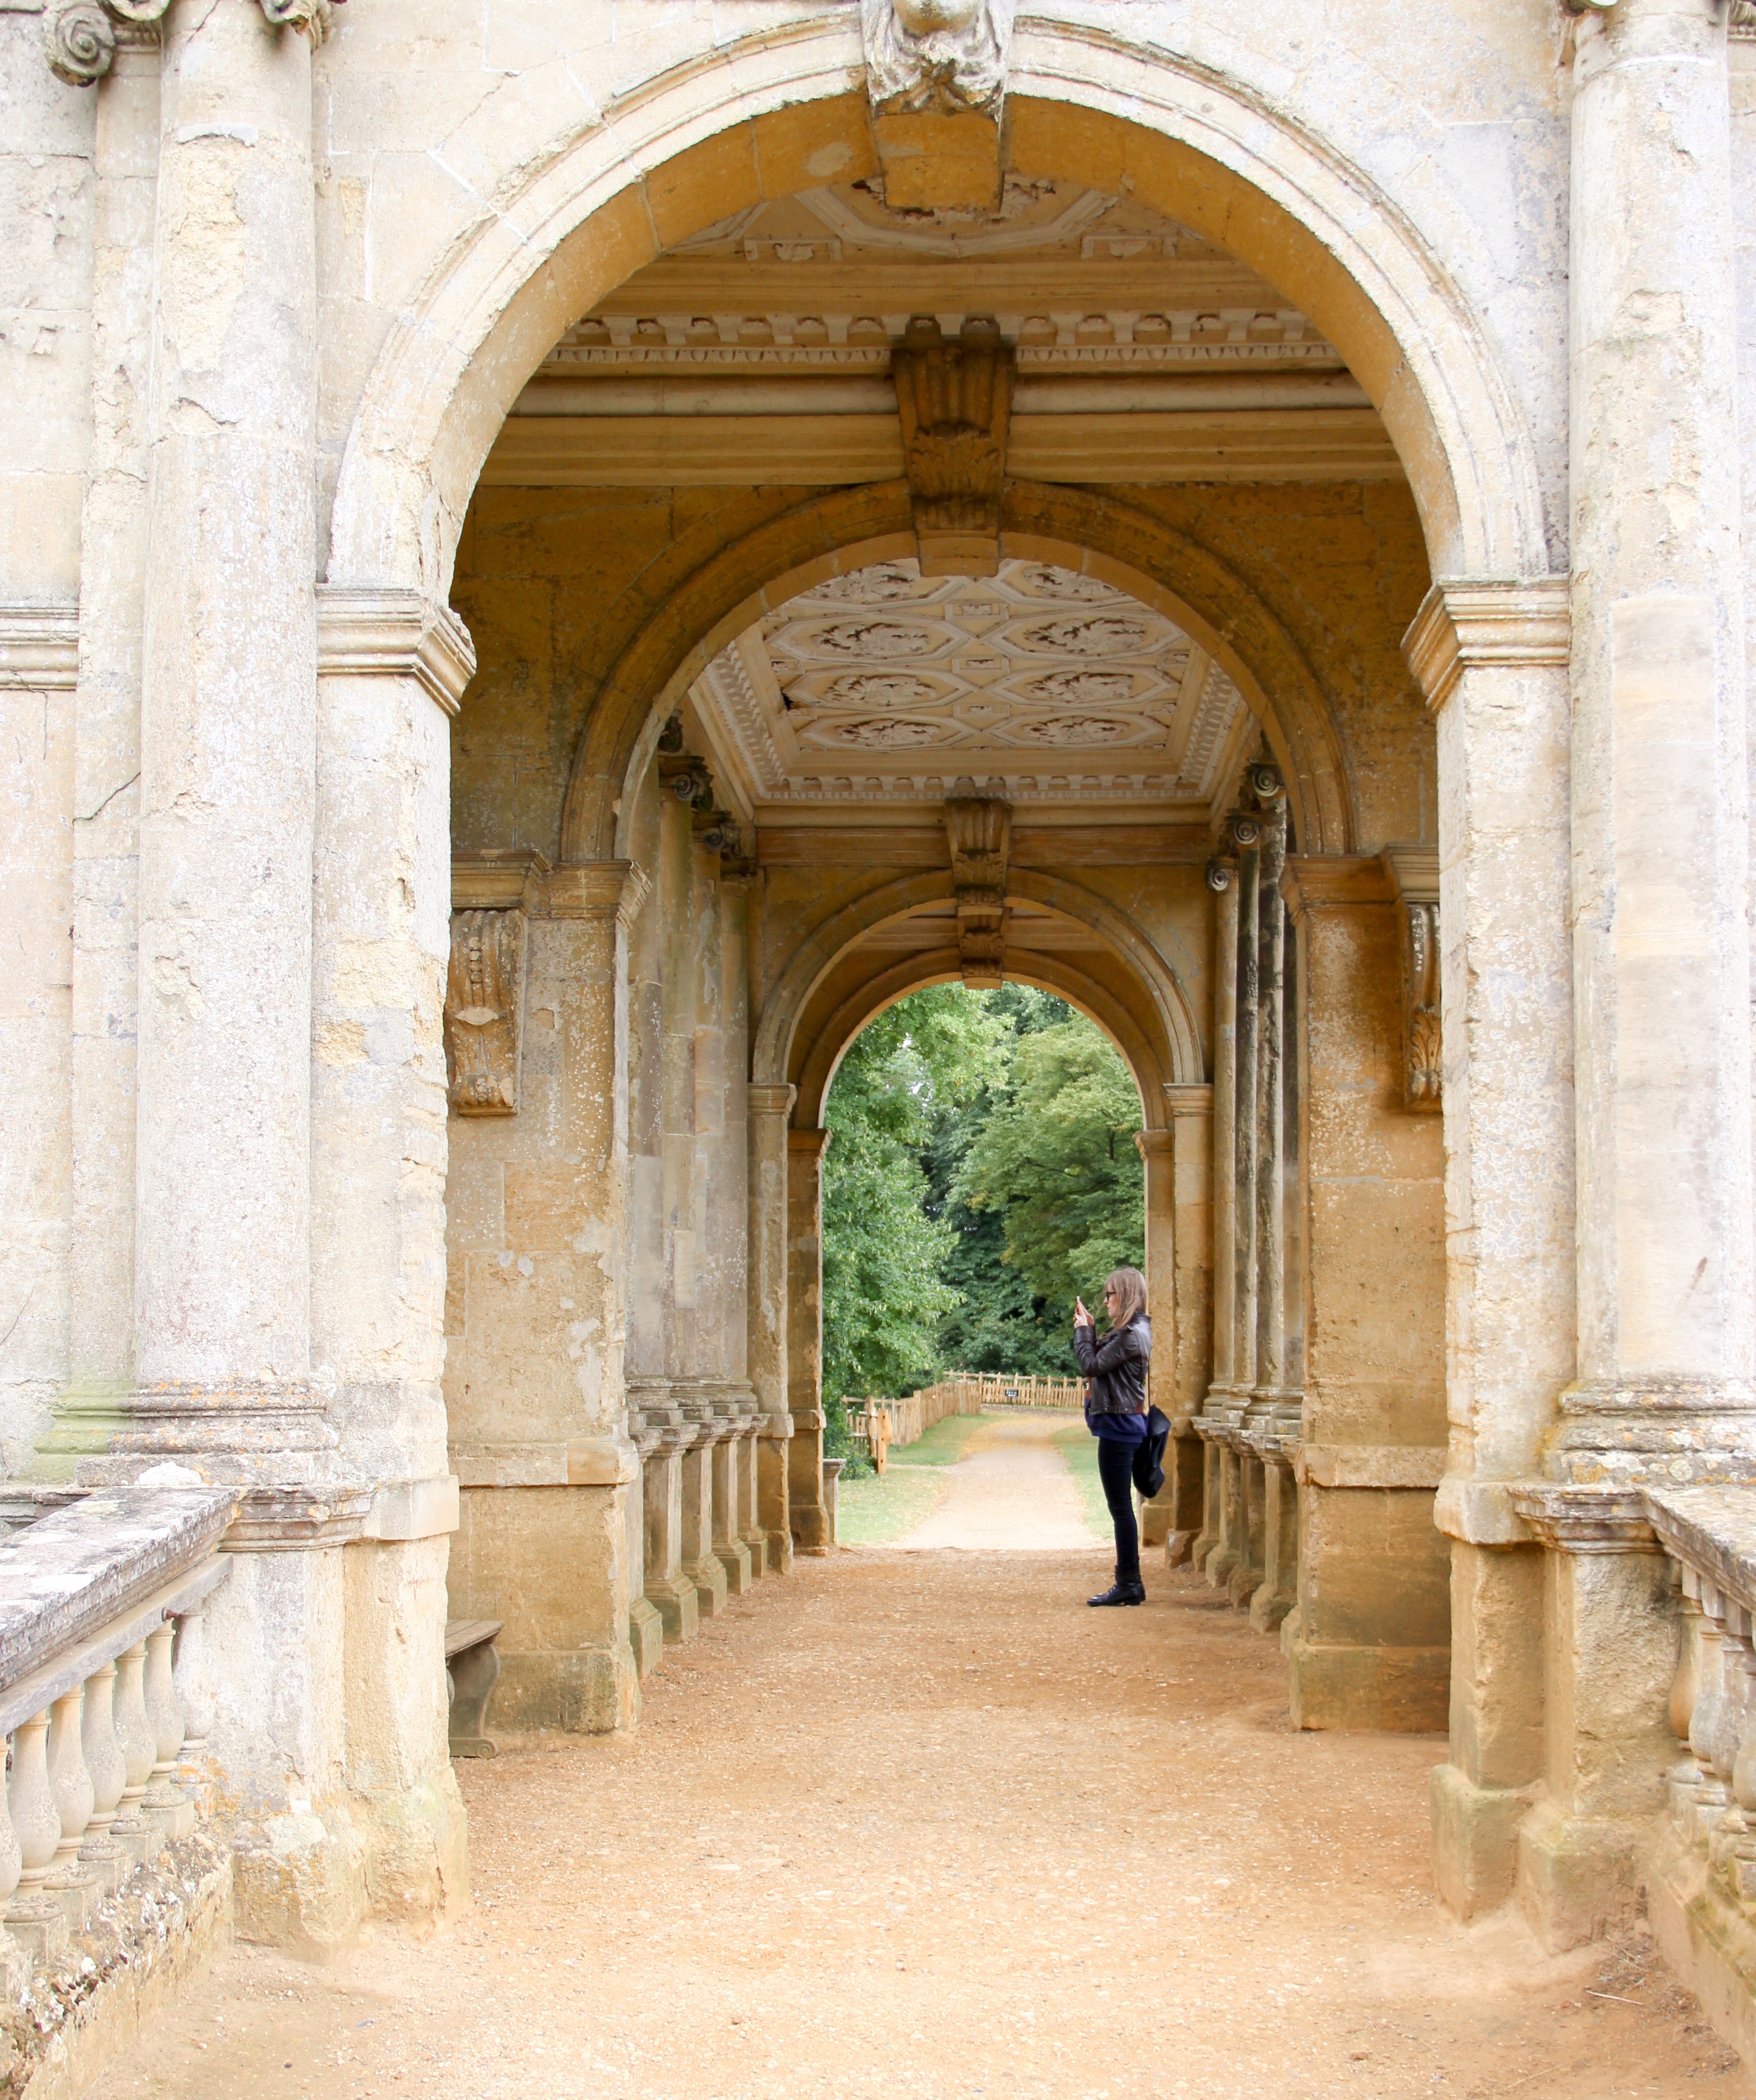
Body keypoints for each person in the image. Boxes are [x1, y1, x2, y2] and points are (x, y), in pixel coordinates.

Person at [1072, 1267, 1150, 1607]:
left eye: (1111, 1295)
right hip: (1125, 1425)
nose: (1106, 1302)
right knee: (1123, 1509)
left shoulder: (1131, 1335)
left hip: (1120, 1428)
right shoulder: (1135, 1331)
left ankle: (1129, 1583)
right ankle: (1129, 1582)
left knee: (1120, 1509)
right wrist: (1090, 1329)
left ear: (1127, 1295)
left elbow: (1091, 1365)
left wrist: (1083, 1332)